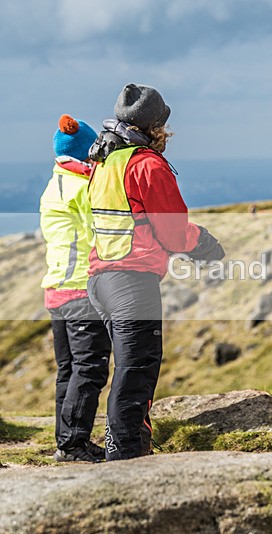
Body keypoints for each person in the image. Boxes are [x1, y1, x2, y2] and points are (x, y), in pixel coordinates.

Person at [87, 83, 225, 461]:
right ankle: (127, 453)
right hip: (131, 280)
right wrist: (205, 244)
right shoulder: (146, 164)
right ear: (156, 127)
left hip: (100, 278)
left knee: (128, 368)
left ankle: (124, 446)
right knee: (137, 369)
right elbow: (173, 231)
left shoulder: (105, 161)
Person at [40, 115, 112, 463]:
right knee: (91, 368)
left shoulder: (55, 184)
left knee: (68, 369)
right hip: (80, 290)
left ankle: (64, 439)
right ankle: (73, 445)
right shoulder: (83, 188)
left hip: (56, 288)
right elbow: (104, 228)